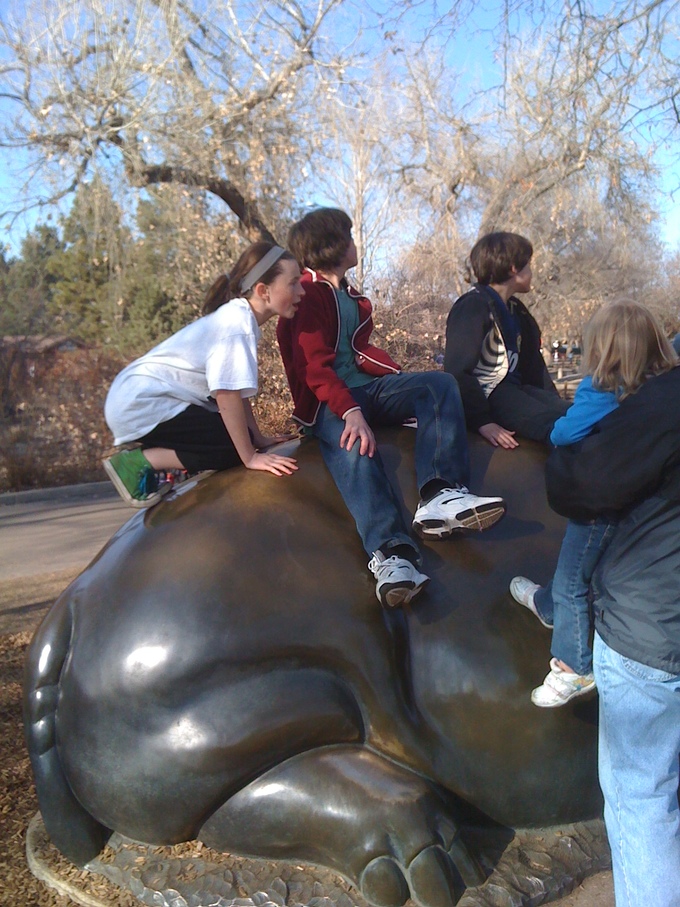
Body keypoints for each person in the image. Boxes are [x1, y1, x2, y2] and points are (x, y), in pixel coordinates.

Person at [277, 208, 506, 608]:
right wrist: (349, 411)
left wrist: (396, 376)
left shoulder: (347, 294)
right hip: (329, 402)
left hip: (367, 390)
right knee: (355, 447)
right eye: (349, 236)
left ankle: (440, 493)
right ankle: (391, 556)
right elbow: (313, 367)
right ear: (333, 245)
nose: (355, 243)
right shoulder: (309, 293)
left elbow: (359, 352)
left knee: (437, 385)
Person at [544, 337, 680, 907]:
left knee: (642, 798)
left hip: (652, 627)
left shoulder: (664, 397)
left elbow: (582, 483)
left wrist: (568, 444)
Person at [509, 302, 677, 706]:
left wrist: (557, 426)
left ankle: (573, 667)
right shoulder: (660, 389)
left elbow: (564, 434)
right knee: (590, 569)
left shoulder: (600, 387)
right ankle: (548, 604)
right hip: (640, 505)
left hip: (596, 504)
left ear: (601, 347)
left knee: (573, 577)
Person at [104, 242, 301, 507]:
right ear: (263, 291)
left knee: (240, 440)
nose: (301, 291)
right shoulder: (236, 324)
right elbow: (226, 395)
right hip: (141, 403)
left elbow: (237, 391)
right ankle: (136, 463)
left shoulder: (240, 319)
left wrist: (258, 438)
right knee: (232, 448)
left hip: (136, 400)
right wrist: (250, 457)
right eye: (293, 283)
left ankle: (148, 461)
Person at [444, 232, 569, 449]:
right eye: (528, 265)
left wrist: (553, 400)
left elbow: (534, 368)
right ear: (513, 269)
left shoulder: (517, 311)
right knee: (557, 427)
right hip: (490, 395)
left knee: (576, 416)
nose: (531, 272)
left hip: (518, 390)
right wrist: (482, 421)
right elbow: (457, 370)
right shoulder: (473, 306)